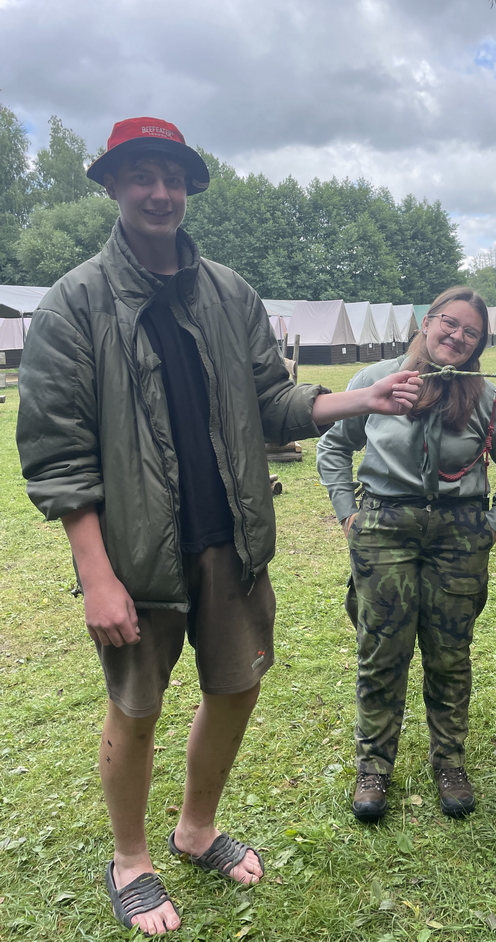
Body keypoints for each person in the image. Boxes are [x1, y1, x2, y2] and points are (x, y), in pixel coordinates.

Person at [16, 117, 420, 936]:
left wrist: (363, 398)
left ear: (190, 188)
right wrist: (97, 575)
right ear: (113, 185)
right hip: (136, 556)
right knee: (137, 708)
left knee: (237, 688)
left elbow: (273, 399)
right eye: (142, 175)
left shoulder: (231, 293)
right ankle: (131, 860)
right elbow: (58, 452)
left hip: (231, 541)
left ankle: (196, 830)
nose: (160, 192)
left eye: (173, 176)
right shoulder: (74, 303)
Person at [316, 287, 496, 821]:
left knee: (449, 653)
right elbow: (333, 446)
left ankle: (450, 762)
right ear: (427, 322)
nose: (457, 337)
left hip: (459, 535)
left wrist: (491, 526)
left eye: (471, 332)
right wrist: (347, 513)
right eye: (449, 323)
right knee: (381, 650)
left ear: (479, 344)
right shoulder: (375, 379)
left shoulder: (487, 397)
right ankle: (373, 767)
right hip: (384, 528)